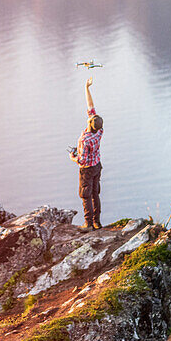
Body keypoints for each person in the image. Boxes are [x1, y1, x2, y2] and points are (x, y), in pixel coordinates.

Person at [71, 77, 104, 231]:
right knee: (95, 194)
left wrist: (73, 157)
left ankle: (88, 224)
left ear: (90, 123)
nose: (90, 116)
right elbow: (90, 106)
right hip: (97, 166)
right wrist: (87, 88)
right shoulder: (99, 131)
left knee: (86, 195)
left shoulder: (85, 140)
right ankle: (97, 222)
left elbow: (82, 160)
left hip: (87, 170)